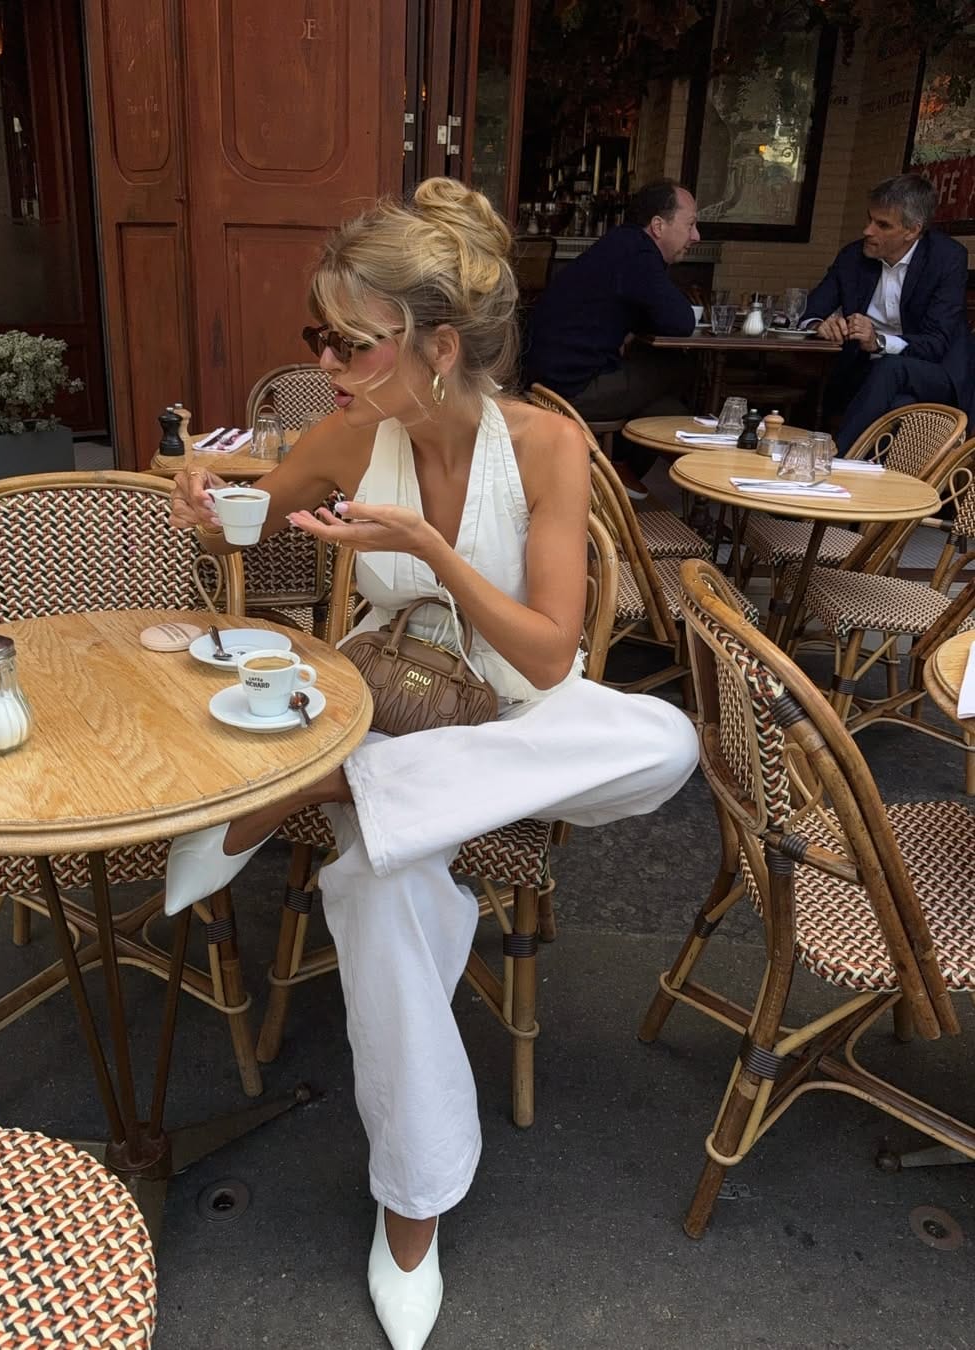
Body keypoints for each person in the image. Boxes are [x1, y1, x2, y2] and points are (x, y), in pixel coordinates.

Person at [166, 178, 699, 1350]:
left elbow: (550, 652)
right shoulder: (356, 430)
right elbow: (249, 508)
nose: (327, 363)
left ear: (439, 345)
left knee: (663, 739)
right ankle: (413, 1215)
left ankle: (333, 786)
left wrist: (421, 544)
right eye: (321, 337)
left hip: (506, 723)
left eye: (349, 342)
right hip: (383, 693)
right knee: (380, 885)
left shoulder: (548, 445)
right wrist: (202, 495)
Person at [523, 178, 700, 499]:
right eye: (690, 225)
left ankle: (620, 468)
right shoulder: (639, 255)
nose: (696, 236)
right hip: (570, 389)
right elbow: (681, 321)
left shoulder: (621, 245)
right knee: (684, 367)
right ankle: (622, 465)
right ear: (658, 226)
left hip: (545, 378)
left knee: (667, 408)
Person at [803, 173, 970, 453]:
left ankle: (839, 456)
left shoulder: (947, 259)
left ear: (912, 230)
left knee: (890, 367)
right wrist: (819, 324)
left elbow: (937, 342)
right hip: (869, 374)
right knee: (900, 406)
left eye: (882, 225)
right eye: (869, 219)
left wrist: (879, 342)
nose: (868, 231)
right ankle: (877, 483)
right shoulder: (853, 257)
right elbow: (809, 310)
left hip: (937, 371)